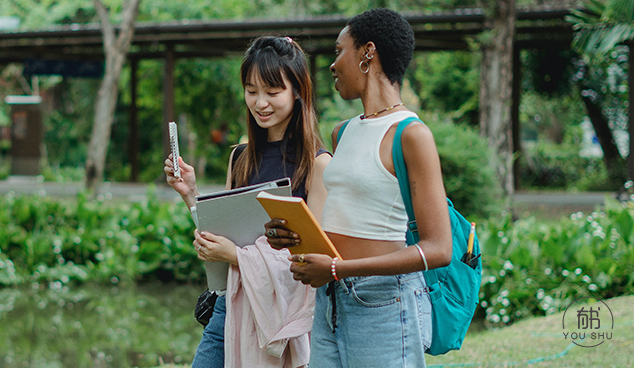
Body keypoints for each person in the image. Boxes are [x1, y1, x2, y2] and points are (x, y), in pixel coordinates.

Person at [265, 9, 453, 368]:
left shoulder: (411, 135)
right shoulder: (344, 131)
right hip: (330, 297)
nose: (333, 65)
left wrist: (338, 269)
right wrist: (293, 236)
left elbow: (438, 249)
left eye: (339, 51)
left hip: (382, 301)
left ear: (367, 53)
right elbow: (349, 216)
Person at [164, 36, 331, 368]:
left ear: (297, 91)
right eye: (251, 91)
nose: (260, 103)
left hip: (284, 318)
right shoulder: (239, 158)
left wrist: (236, 256)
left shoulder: (318, 164)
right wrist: (190, 194)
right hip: (231, 306)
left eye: (272, 92)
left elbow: (315, 257)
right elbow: (224, 232)